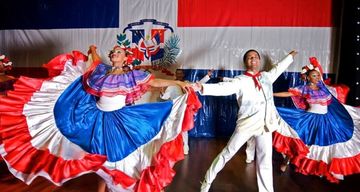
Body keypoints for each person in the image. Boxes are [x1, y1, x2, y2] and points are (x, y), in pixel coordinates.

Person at [0, 44, 201, 192]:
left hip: (117, 121)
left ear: (125, 59)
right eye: (113, 51)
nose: (114, 53)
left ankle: (120, 186)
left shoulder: (131, 76)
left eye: (118, 52)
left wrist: (177, 83)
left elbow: (154, 81)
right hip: (95, 118)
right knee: (97, 157)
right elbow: (94, 61)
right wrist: (93, 50)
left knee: (112, 157)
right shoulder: (101, 71)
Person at [193, 49, 297, 192]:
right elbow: (223, 88)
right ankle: (207, 180)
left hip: (265, 125)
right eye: (249, 57)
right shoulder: (240, 80)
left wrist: (290, 56)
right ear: (246, 62)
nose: (252, 59)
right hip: (247, 125)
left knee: (265, 160)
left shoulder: (267, 76)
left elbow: (278, 68)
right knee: (228, 153)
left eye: (255, 57)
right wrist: (202, 87)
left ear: (259, 60)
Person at [272, 57, 360, 183]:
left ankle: (326, 169)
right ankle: (286, 162)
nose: (317, 77)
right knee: (301, 143)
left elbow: (331, 101)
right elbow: (289, 93)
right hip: (310, 120)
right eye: (314, 75)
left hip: (325, 120)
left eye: (318, 75)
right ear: (308, 77)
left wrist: (315, 65)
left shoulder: (323, 88)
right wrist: (272, 95)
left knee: (327, 145)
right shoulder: (304, 89)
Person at [160, 69, 213, 154]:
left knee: (184, 129)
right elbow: (165, 97)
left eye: (181, 73)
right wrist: (162, 93)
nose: (179, 75)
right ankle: (172, 149)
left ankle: (185, 149)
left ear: (183, 74)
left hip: (184, 110)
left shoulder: (187, 84)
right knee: (172, 129)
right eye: (178, 73)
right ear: (175, 74)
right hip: (174, 111)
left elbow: (198, 85)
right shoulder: (172, 85)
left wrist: (207, 76)